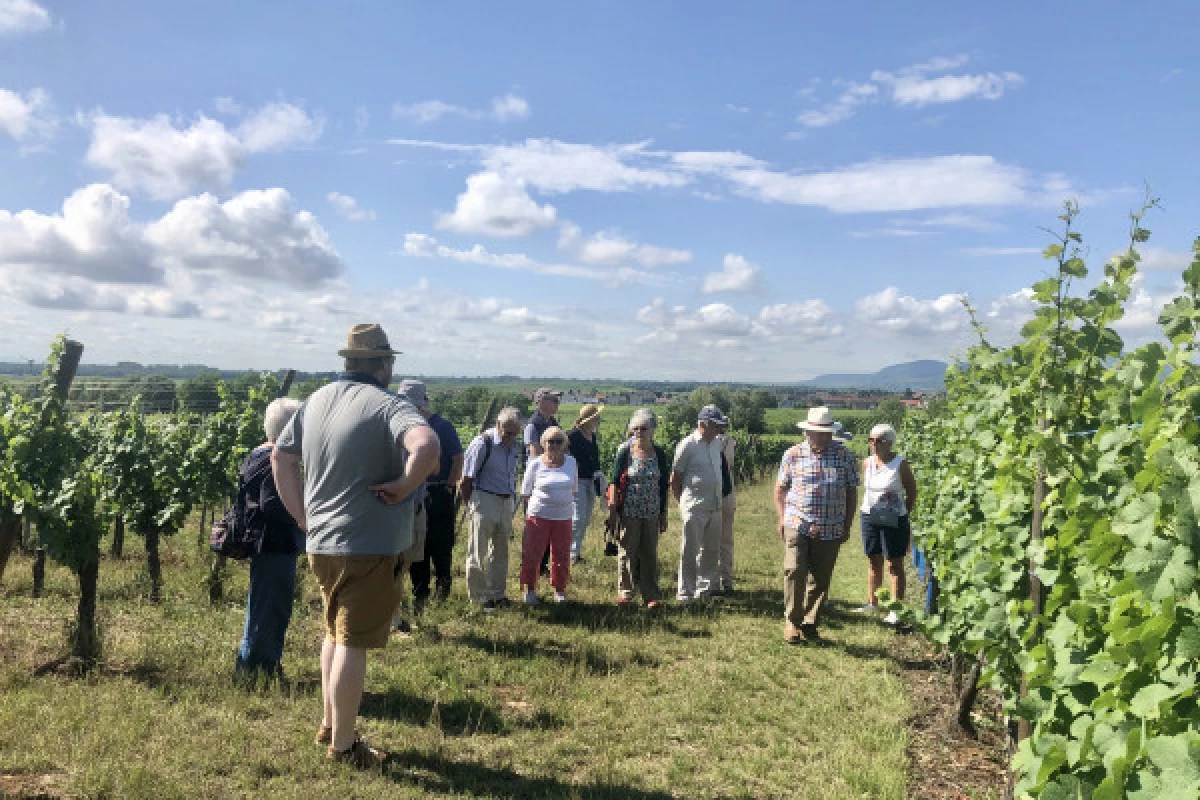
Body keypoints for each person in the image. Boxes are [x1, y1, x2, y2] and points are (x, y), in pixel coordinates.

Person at [272, 323, 440, 769]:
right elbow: (427, 445)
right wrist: (405, 486)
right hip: (368, 544)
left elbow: (280, 456)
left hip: (321, 541)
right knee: (353, 643)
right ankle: (345, 746)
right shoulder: (389, 406)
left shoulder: (316, 401)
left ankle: (330, 724)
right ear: (383, 364)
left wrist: (302, 516)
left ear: (348, 360)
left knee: (334, 633)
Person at [774, 406, 859, 645]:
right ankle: (792, 621)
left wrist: (847, 524)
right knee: (794, 569)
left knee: (821, 578)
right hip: (797, 522)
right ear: (807, 432)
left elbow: (851, 492)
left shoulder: (844, 456)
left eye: (827, 433)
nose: (823, 437)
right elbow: (780, 488)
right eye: (818, 433)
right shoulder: (792, 455)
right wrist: (781, 518)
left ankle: (810, 622)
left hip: (831, 526)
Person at [233, 397, 303, 681]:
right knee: (270, 606)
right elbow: (272, 504)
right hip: (274, 542)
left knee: (265, 604)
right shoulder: (272, 459)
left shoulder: (260, 453)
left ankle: (255, 665)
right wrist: (302, 515)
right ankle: (258, 670)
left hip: (269, 542)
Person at [397, 380, 464, 613]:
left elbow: (457, 458)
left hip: (437, 491)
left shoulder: (442, 427)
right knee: (418, 546)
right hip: (411, 493)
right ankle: (420, 593)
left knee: (441, 543)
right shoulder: (403, 428)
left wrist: (448, 485)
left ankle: (443, 587)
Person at [460, 407, 523, 611]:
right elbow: (466, 479)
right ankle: (478, 597)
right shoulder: (482, 444)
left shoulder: (515, 447)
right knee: (478, 550)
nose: (510, 437)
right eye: (507, 432)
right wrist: (470, 504)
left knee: (501, 549)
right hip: (484, 498)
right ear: (498, 425)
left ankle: (497, 594)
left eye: (515, 433)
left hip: (506, 500)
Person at [856, 423, 918, 627]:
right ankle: (872, 602)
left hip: (894, 519)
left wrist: (903, 513)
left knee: (894, 564)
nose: (874, 444)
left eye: (879, 441)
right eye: (871, 440)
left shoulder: (900, 464)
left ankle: (895, 610)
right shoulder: (867, 463)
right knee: (873, 559)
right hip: (870, 517)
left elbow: (911, 490)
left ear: (890, 443)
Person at [608, 409, 670, 607]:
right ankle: (626, 592)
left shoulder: (659, 453)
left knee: (649, 553)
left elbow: (663, 486)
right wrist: (613, 512)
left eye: (643, 428)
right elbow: (614, 482)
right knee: (627, 551)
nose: (639, 432)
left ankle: (650, 594)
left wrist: (664, 512)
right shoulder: (625, 452)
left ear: (652, 430)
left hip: (651, 511)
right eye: (635, 429)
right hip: (629, 510)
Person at [670, 405, 726, 603]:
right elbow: (675, 477)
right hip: (694, 505)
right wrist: (683, 502)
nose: (718, 431)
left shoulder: (716, 443)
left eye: (719, 427)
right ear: (702, 424)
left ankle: (704, 590)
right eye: (714, 426)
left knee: (711, 550)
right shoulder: (688, 445)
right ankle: (685, 594)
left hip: (715, 505)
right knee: (689, 551)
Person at [519, 426, 578, 603]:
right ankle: (530, 590)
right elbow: (526, 491)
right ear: (543, 443)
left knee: (561, 554)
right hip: (538, 516)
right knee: (533, 553)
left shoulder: (571, 462)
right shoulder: (535, 464)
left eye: (558, 441)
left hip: (564, 516)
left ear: (564, 444)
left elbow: (574, 488)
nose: (554, 445)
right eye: (550, 441)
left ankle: (559, 590)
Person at [525, 387, 561, 576]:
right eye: (553, 400)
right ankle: (534, 565)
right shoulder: (533, 425)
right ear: (541, 402)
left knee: (550, 522)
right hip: (539, 481)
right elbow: (535, 453)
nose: (557, 404)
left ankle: (542, 565)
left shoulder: (553, 422)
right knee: (537, 526)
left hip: (552, 478)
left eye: (557, 400)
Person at [567, 403, 604, 563]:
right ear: (589, 420)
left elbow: (594, 459)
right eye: (596, 418)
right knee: (578, 517)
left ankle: (577, 551)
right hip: (577, 480)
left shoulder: (593, 436)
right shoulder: (572, 436)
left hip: (591, 480)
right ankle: (571, 553)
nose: (598, 420)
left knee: (586, 517)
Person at [714, 418, 737, 596]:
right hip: (728, 494)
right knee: (726, 540)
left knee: (712, 540)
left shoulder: (714, 443)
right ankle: (725, 580)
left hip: (721, 494)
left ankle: (717, 580)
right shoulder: (730, 442)